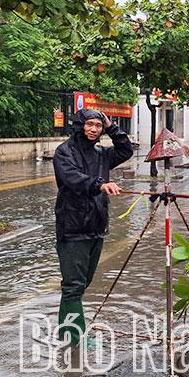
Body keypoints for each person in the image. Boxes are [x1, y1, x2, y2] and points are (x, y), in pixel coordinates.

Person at [53, 108, 133, 346]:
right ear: (80, 125)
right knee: (73, 286)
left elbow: (125, 150)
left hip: (97, 225)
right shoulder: (64, 152)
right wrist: (100, 185)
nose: (93, 130)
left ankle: (65, 331)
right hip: (73, 226)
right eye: (90, 125)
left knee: (80, 285)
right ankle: (75, 338)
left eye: (98, 126)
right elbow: (72, 178)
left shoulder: (101, 154)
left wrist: (112, 127)